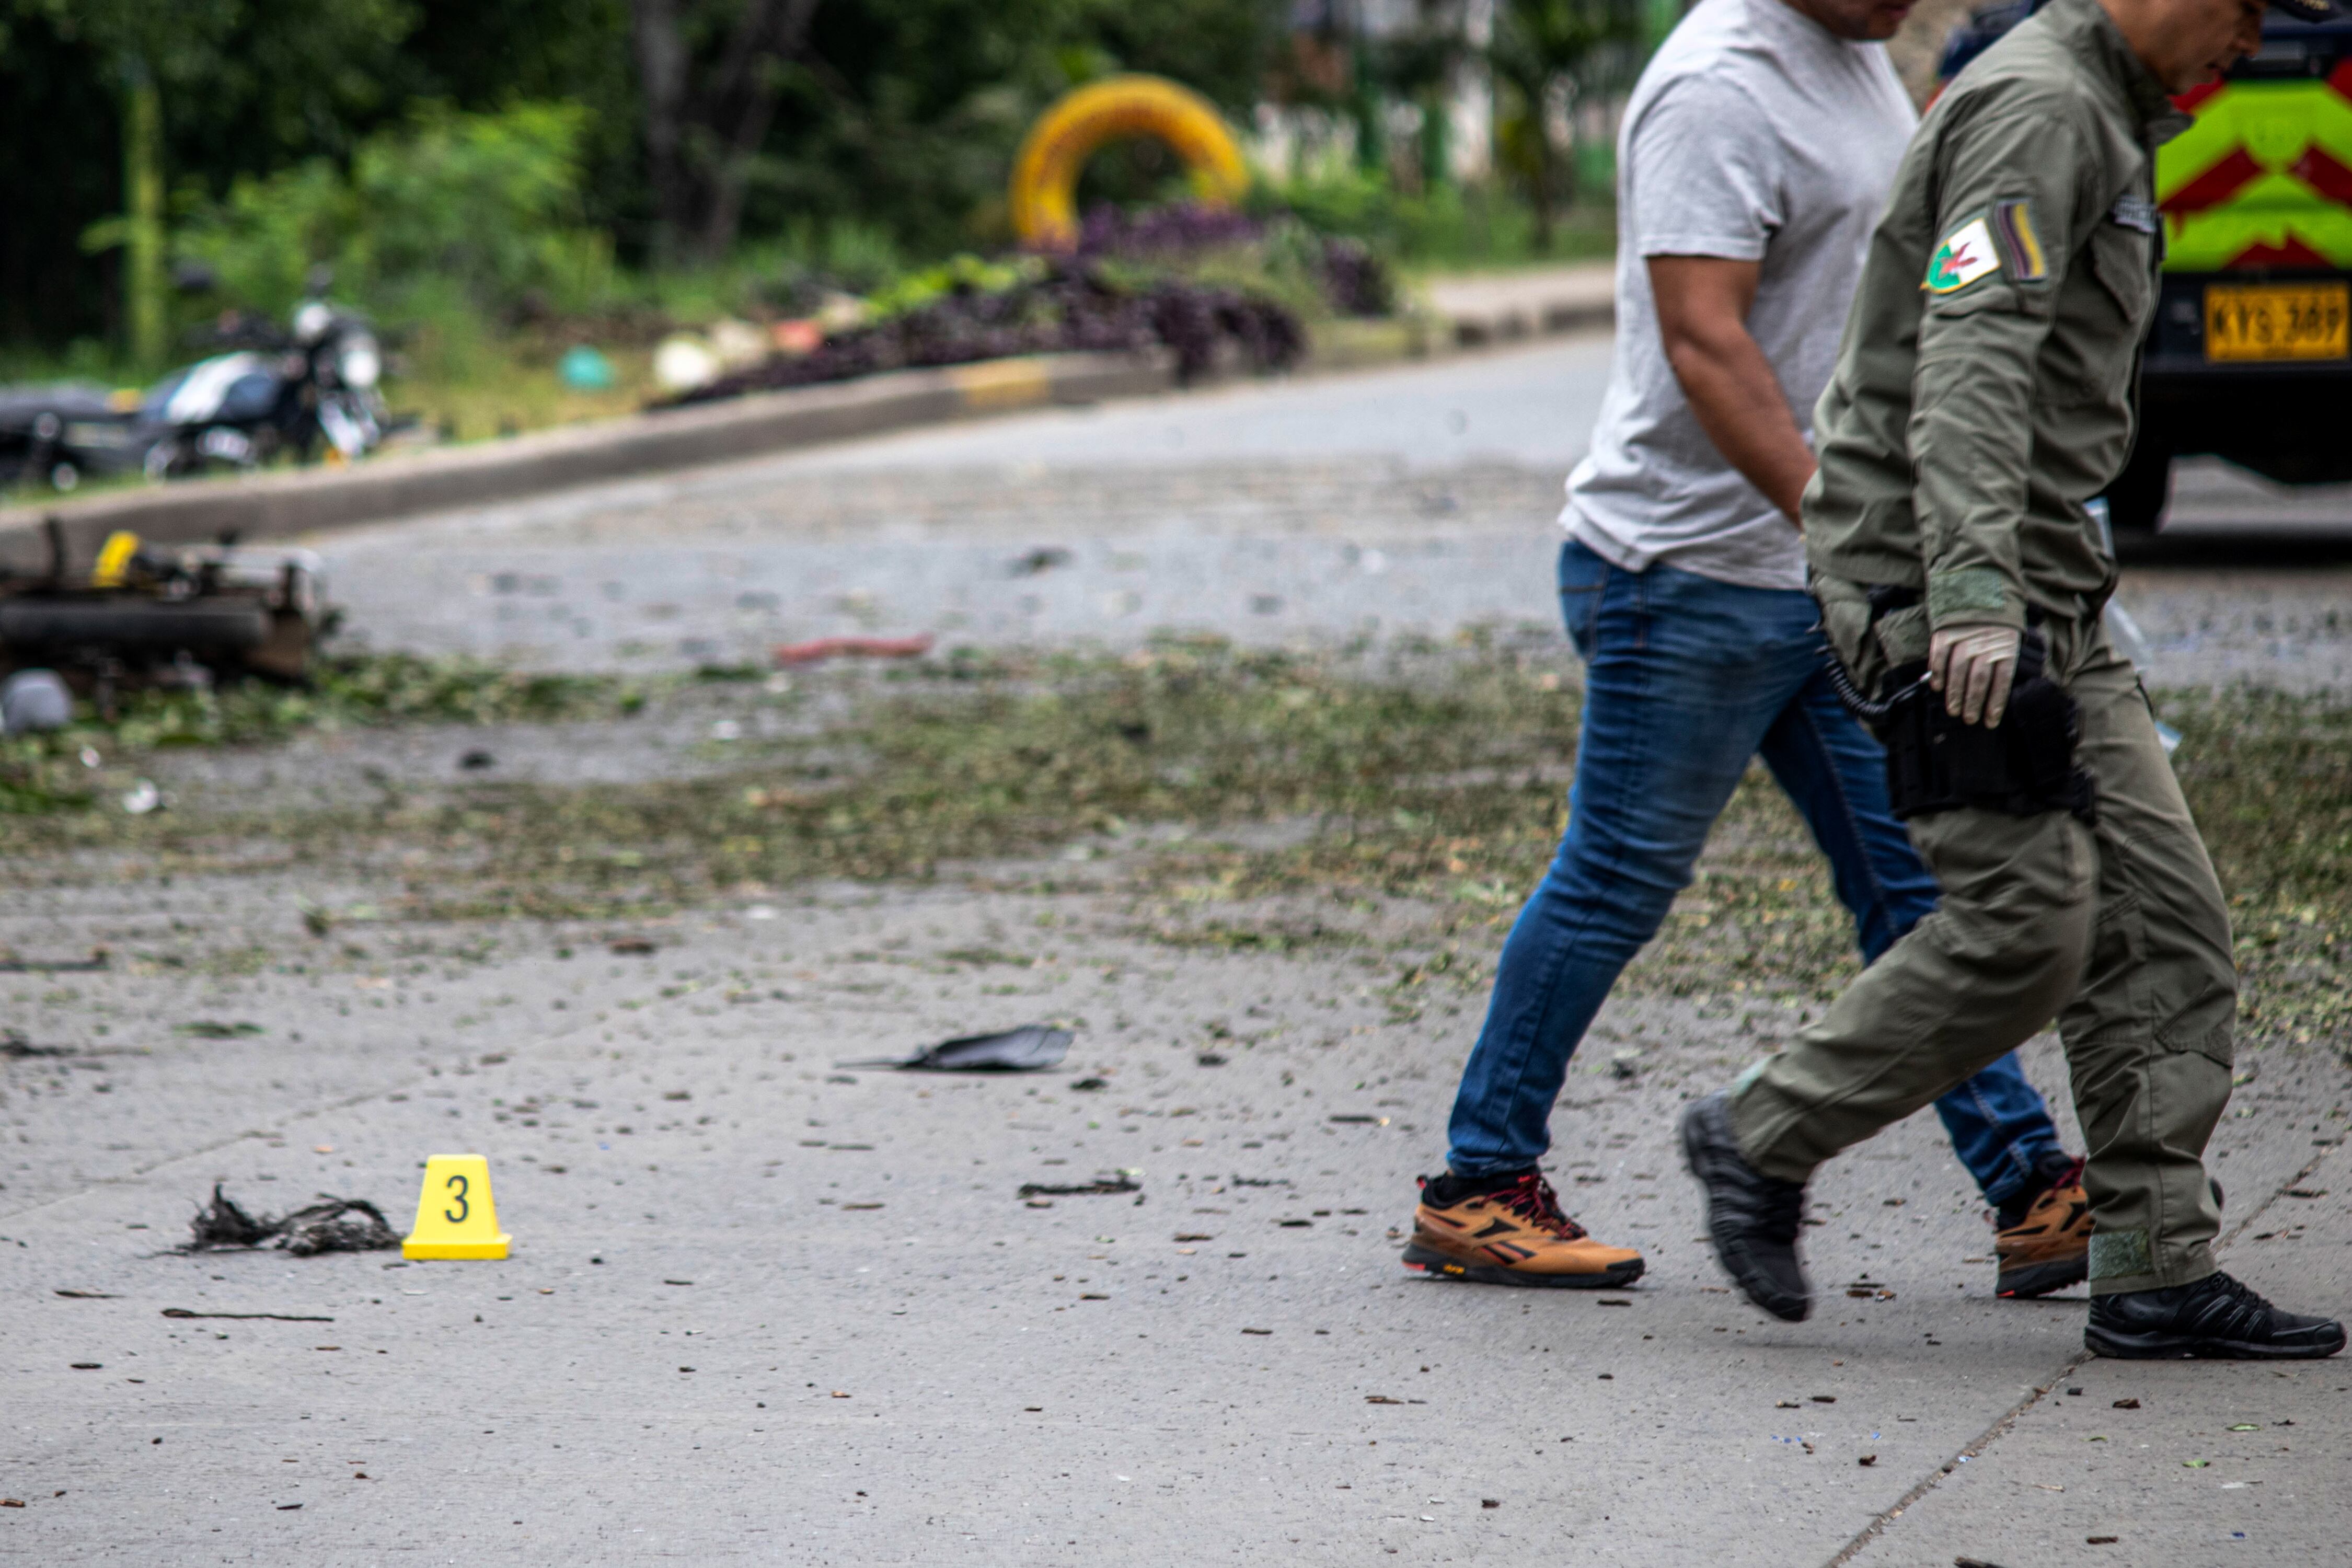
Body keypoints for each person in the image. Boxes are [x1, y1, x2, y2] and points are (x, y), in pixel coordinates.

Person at [1681, 0, 2347, 1358]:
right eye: (2240, 11)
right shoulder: (2041, 106)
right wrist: (1974, 610)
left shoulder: (2106, 111)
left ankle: (2152, 1267)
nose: (2246, 43)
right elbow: (1970, 365)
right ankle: (1757, 1134)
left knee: (2166, 928)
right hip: (1944, 592)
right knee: (2028, 923)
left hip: (2043, 590)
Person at [1404, 0, 2092, 1300]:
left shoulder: (1851, 60)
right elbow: (1704, 341)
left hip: (1810, 578)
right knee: (1616, 878)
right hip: (1689, 577)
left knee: (1915, 891)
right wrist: (1863, 543)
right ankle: (1478, 1184)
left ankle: (2028, 1186)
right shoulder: (1716, 87)